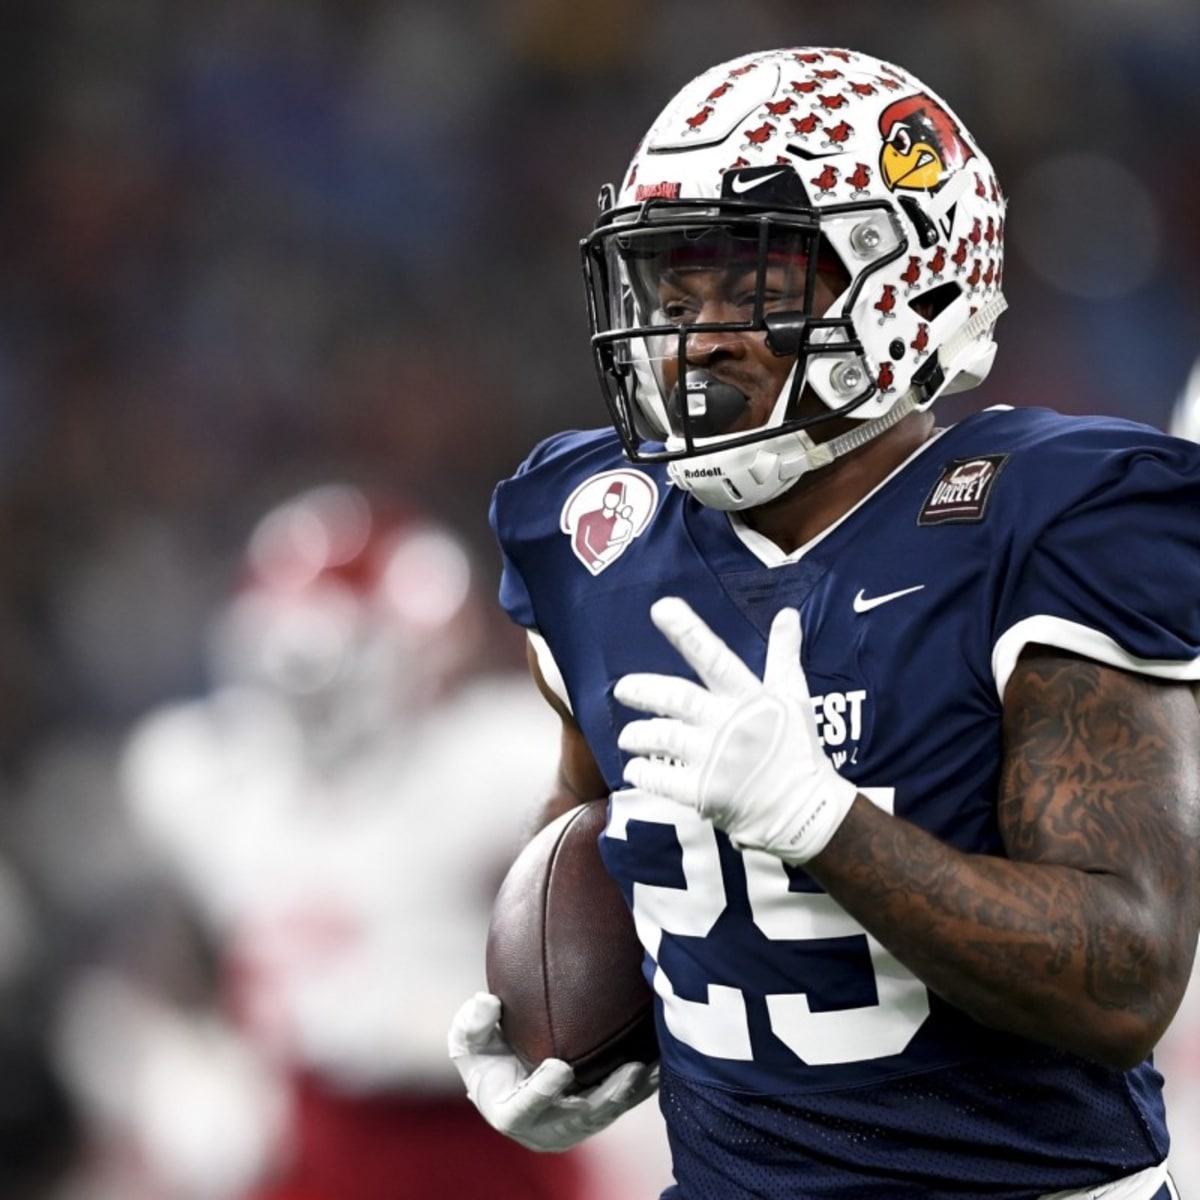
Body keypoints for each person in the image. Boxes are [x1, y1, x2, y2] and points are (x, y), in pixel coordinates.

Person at [447, 46, 1200, 1199]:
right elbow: (593, 818)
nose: (697, 337)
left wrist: (824, 822)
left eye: (753, 287)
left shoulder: (1050, 514)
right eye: (673, 291)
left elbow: (1125, 977)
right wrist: (578, 1025)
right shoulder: (593, 527)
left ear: (911, 284)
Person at [118, 483, 597, 1200]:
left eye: (322, 666)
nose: (306, 693)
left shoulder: (490, 761)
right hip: (301, 1139)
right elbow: (180, 956)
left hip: (473, 1141)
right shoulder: (212, 779)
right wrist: (188, 1054)